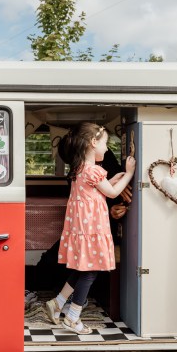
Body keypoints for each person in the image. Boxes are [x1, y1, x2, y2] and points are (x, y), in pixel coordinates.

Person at [45, 122, 136, 334]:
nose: (106, 148)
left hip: (81, 230)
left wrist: (113, 178)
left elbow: (100, 188)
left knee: (81, 269)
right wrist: (129, 174)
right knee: (91, 272)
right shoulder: (93, 170)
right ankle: (73, 316)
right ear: (93, 143)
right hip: (92, 229)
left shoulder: (79, 169)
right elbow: (112, 193)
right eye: (105, 144)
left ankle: (58, 303)